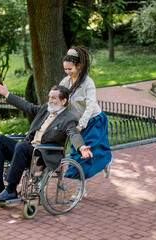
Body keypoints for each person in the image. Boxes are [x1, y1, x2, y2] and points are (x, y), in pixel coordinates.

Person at [0, 83, 93, 203]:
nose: (50, 101)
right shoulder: (46, 109)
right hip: (26, 151)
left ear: (64, 101)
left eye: (54, 98)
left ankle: (11, 190)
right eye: (49, 97)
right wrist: (6, 94)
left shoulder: (69, 118)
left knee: (21, 146)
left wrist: (81, 147)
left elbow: (73, 134)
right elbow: (27, 106)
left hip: (43, 155)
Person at [59, 46, 112, 200]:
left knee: (84, 156)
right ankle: (104, 164)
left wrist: (81, 125)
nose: (67, 72)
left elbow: (90, 106)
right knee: (77, 154)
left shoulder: (88, 83)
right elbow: (58, 95)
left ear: (79, 66)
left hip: (94, 121)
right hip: (78, 123)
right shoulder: (66, 82)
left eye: (70, 69)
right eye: (65, 69)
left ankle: (81, 190)